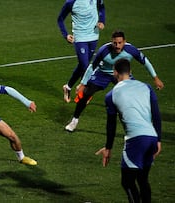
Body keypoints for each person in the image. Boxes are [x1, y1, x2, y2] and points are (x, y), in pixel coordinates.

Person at [65, 30, 164, 132]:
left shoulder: (131, 50)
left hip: (121, 74)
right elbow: (92, 66)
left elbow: (145, 62)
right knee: (86, 93)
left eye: (120, 43)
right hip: (102, 73)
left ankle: (142, 121)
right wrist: (83, 83)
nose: (117, 45)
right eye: (115, 43)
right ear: (111, 42)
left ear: (124, 42)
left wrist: (155, 78)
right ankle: (74, 120)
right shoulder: (103, 50)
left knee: (133, 95)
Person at [96, 58, 161, 203]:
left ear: (115, 73)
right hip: (152, 138)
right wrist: (159, 139)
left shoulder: (111, 95)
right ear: (130, 72)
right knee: (143, 180)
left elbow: (111, 125)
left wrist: (108, 148)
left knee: (127, 182)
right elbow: (156, 115)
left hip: (136, 140)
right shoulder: (147, 87)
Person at [57, 0, 105, 103]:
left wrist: (102, 20)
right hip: (80, 37)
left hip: (93, 36)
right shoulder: (70, 2)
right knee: (85, 66)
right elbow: (60, 19)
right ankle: (85, 91)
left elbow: (101, 7)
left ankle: (68, 87)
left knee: (83, 65)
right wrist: (66, 35)